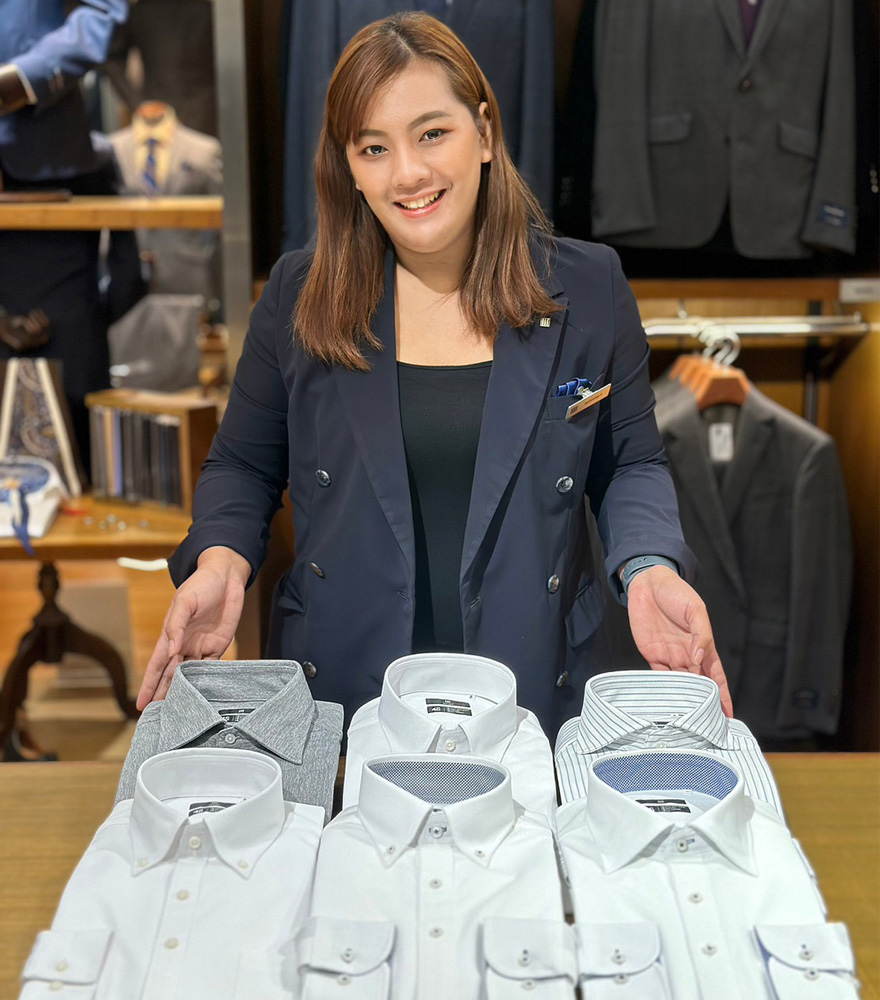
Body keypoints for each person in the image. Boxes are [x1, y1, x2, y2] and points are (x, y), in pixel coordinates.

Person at [138, 12, 731, 734]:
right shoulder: (298, 294)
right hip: (348, 696)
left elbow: (631, 463)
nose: (408, 173)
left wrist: (650, 568)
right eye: (374, 148)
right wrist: (220, 564)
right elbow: (242, 465)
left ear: (484, 132)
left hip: (533, 692)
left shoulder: (589, 285)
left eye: (431, 134)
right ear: (348, 168)